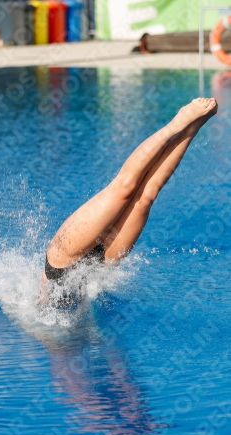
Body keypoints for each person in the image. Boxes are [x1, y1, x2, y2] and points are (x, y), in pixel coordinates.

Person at [42, 98, 218, 299]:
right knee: (146, 198)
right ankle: (193, 127)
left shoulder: (38, 313)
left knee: (124, 188)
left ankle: (177, 123)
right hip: (99, 269)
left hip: (61, 263)